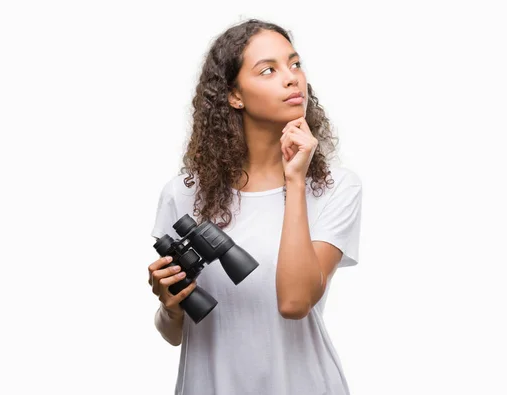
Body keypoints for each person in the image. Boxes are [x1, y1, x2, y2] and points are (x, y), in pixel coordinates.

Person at [147, 18, 363, 395]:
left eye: (295, 64)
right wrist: (170, 306)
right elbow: (173, 335)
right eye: (269, 70)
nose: (292, 78)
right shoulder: (183, 194)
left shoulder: (333, 188)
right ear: (235, 96)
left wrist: (295, 180)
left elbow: (295, 302)